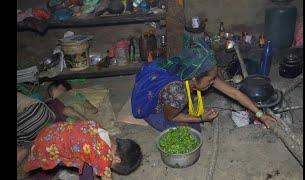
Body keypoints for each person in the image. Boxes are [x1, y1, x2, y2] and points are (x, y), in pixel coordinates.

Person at [131, 41, 275, 132]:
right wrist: (201, 118)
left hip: (167, 94)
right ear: (195, 78)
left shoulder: (192, 72)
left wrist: (261, 115)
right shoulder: (178, 92)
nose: (213, 82)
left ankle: (173, 106)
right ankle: (157, 112)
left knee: (189, 118)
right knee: (190, 131)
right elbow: (172, 117)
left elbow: (235, 93)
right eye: (211, 79)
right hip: (152, 107)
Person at [23, 120, 142, 180]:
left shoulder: (102, 130)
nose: (109, 168)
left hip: (51, 130)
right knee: (41, 166)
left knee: (88, 160)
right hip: (48, 147)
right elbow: (107, 177)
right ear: (116, 159)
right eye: (112, 167)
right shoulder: (103, 157)